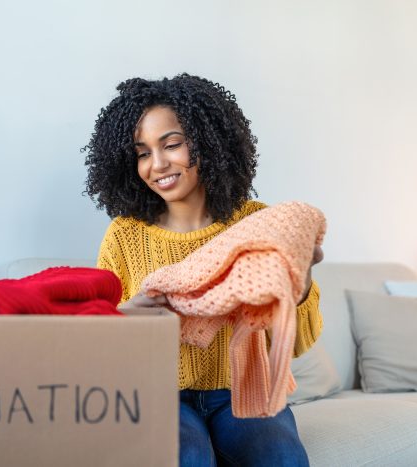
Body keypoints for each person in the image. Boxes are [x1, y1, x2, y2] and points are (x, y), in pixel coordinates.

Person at [83, 73, 323, 467]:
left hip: (242, 391)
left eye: (172, 144)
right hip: (156, 393)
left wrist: (298, 280)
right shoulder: (123, 236)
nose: (157, 164)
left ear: (208, 142)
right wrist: (126, 316)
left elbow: (294, 342)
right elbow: (99, 344)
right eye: (142, 152)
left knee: (280, 455)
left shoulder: (256, 224)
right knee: (187, 456)